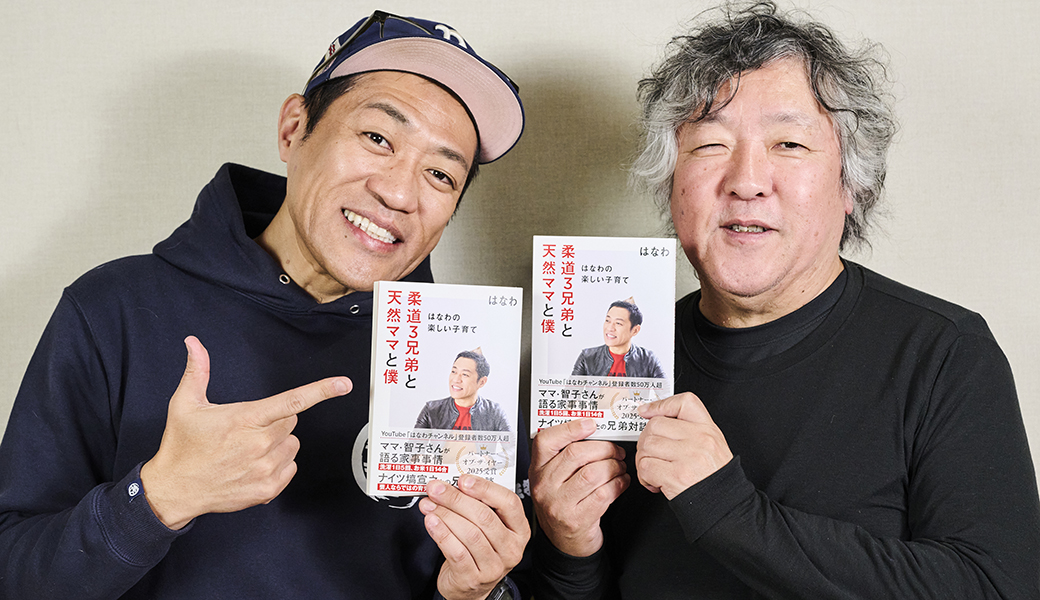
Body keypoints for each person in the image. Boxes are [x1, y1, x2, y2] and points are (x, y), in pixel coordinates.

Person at [0, 11, 531, 600]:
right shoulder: (114, 308)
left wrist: (474, 593)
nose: (399, 192)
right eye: (378, 139)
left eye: (439, 174)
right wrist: (158, 498)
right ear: (293, 129)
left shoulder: (463, 362)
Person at [530, 2, 1040, 598]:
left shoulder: (945, 355)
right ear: (671, 185)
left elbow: (999, 587)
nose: (746, 181)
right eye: (710, 145)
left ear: (851, 185)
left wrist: (727, 508)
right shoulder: (604, 371)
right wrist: (569, 551)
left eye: (789, 144)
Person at [416, 349, 510, 432]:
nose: (456, 379)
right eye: (454, 372)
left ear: (482, 382)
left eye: (465, 374)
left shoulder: (494, 412)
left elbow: (511, 444)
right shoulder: (432, 410)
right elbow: (414, 444)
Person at [570, 299, 665, 378]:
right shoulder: (588, 357)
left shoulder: (648, 359)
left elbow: (666, 391)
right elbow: (570, 392)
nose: (610, 328)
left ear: (635, 330)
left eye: (618, 323)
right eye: (608, 320)